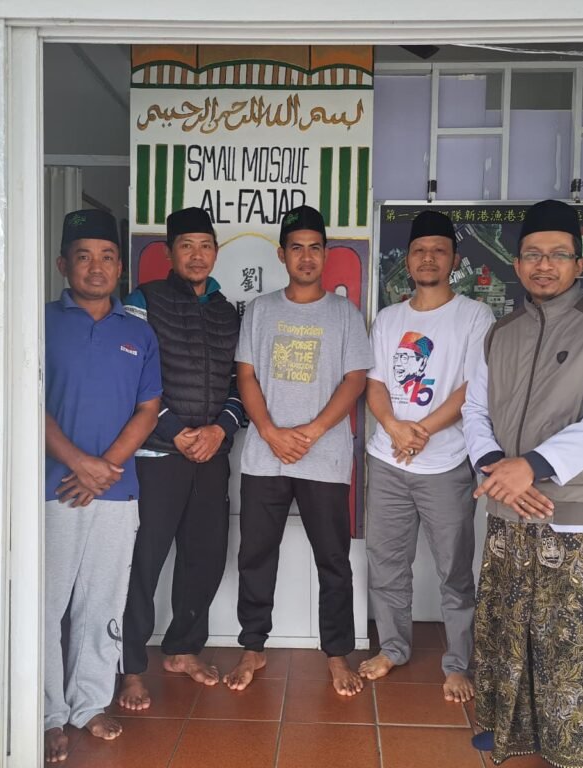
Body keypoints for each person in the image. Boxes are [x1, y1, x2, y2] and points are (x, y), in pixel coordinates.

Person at [462, 199, 583, 768]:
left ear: (579, 264)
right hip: (508, 504)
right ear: (516, 264)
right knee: (509, 624)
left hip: (576, 508)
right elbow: (474, 410)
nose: (544, 265)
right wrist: (497, 466)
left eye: (558, 255)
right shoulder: (500, 332)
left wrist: (531, 466)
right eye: (533, 255)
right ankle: (510, 730)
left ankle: (573, 745)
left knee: (569, 636)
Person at [224, 205, 373, 696]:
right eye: (296, 248)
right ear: (282, 254)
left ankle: (337, 653)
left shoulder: (345, 314)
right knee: (255, 555)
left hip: (324, 459)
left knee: (333, 559)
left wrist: (311, 431)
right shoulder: (260, 310)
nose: (306, 257)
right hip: (265, 456)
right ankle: (253, 646)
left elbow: (355, 380)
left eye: (314, 248)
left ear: (325, 254)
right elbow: (245, 375)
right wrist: (269, 431)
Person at [357, 211, 495, 702]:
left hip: (446, 464)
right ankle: (393, 648)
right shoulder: (389, 319)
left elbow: (472, 387)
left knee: (454, 568)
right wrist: (395, 429)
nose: (428, 258)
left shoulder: (475, 316)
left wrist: (422, 432)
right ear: (409, 260)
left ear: (455, 260)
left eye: (439, 250)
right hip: (388, 460)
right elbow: (375, 385)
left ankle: (457, 662)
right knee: (386, 563)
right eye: (419, 250)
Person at [43, 209, 162, 763]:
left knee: (102, 603)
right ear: (63, 264)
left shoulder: (138, 332)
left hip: (117, 490)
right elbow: (26, 398)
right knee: (45, 606)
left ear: (120, 266)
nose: (97, 267)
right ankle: (46, 712)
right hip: (53, 488)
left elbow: (148, 408)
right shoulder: (39, 322)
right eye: (84, 256)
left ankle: (88, 703)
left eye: (108, 257)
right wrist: (77, 463)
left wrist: (105, 467)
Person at [117, 207, 242, 711]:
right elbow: (129, 376)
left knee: (205, 557)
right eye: (186, 245)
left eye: (205, 245)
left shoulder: (227, 311)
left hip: (211, 453)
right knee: (143, 562)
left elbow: (240, 384)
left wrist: (219, 429)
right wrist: (175, 429)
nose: (197, 255)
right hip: (156, 454)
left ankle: (183, 650)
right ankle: (130, 667)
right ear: (169, 252)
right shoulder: (143, 301)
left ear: (216, 252)